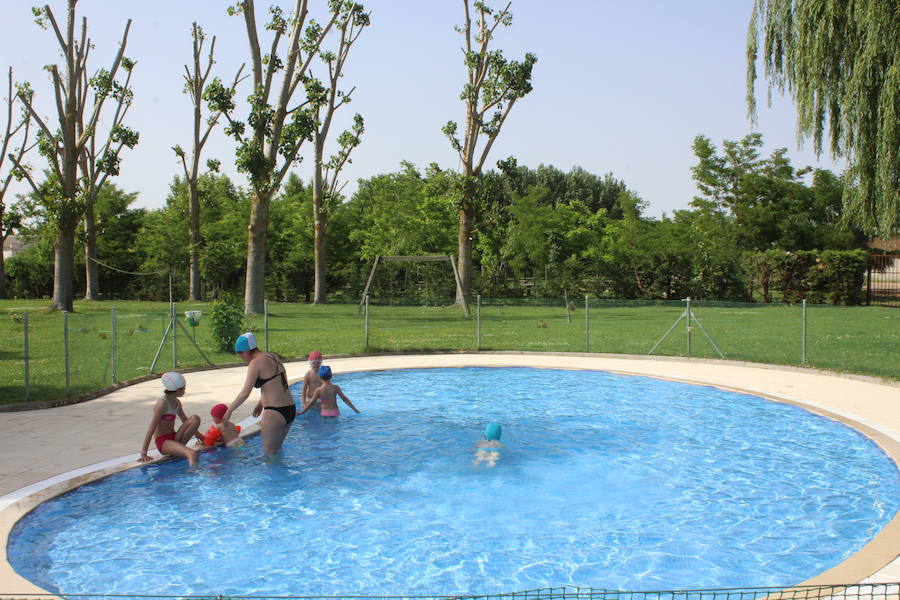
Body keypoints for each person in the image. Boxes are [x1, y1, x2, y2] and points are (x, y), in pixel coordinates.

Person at [224, 332, 295, 458]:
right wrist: (261, 402)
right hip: (290, 409)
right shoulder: (273, 356)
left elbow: (245, 392)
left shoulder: (255, 363)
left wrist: (229, 410)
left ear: (245, 352)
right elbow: (278, 383)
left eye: (240, 355)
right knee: (277, 452)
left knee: (268, 456)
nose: (242, 359)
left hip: (275, 412)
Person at [138, 371, 203, 467]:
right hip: (164, 442)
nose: (185, 391)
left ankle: (181, 447)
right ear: (176, 390)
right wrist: (144, 453)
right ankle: (195, 478)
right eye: (183, 389)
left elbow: (185, 421)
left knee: (195, 418)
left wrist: (200, 437)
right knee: (192, 454)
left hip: (174, 437)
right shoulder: (162, 404)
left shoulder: (177, 402)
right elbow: (151, 428)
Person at [299, 350, 324, 415]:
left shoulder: (323, 373)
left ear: (321, 362)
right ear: (310, 363)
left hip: (320, 399)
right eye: (314, 362)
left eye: (318, 362)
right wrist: (303, 402)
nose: (316, 364)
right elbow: (304, 389)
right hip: (310, 399)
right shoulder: (308, 374)